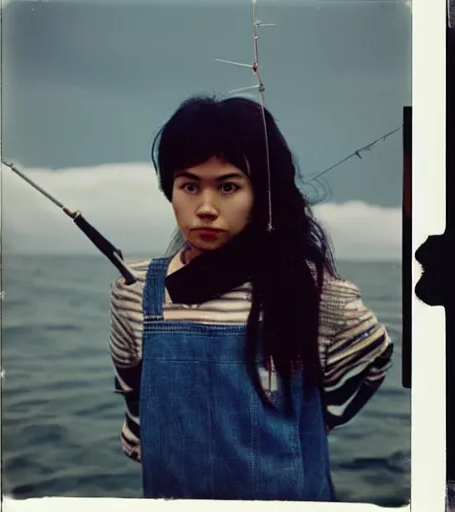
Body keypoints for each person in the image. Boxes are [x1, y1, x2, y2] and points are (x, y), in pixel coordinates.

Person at [109, 95, 393, 501]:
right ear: (168, 189)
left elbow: (374, 358)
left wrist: (310, 422)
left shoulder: (317, 291)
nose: (205, 208)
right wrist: (144, 438)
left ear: (262, 193)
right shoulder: (134, 289)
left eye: (228, 186)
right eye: (189, 185)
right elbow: (133, 388)